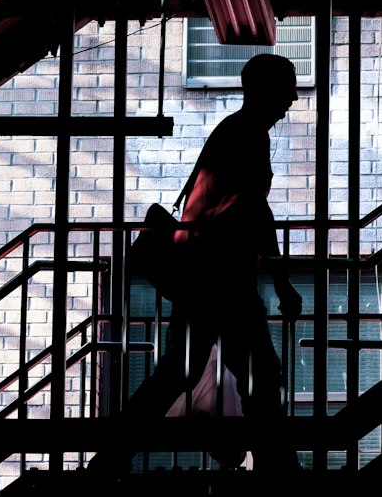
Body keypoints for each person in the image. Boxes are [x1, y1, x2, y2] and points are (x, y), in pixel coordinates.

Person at [90, 52, 304, 475]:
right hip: (220, 275)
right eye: (285, 89)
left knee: (180, 373)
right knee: (259, 371)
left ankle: (108, 461)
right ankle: (279, 469)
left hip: (206, 274)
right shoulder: (247, 135)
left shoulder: (235, 132)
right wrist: (281, 281)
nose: (291, 100)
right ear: (262, 89)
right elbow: (257, 212)